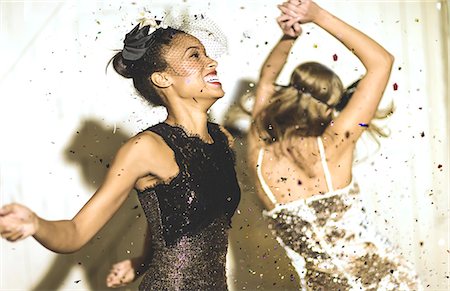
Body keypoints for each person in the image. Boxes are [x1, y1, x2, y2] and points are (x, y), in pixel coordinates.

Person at [0, 19, 241, 290]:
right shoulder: (145, 148)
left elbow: (177, 215)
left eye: (207, 55)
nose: (211, 63)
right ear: (162, 78)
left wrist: (141, 261)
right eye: (195, 56)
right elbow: (76, 233)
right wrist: (35, 224)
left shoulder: (222, 139)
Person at [246, 0, 422, 290]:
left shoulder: (258, 152)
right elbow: (382, 62)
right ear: (330, 110)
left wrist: (290, 36)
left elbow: (266, 79)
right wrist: (317, 15)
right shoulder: (335, 144)